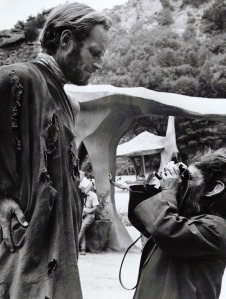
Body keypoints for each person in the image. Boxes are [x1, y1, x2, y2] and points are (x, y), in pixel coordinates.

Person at [0, 3, 111, 298]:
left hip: (59, 247)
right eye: (94, 52)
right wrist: (2, 197)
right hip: (22, 248)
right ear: (65, 41)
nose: (98, 64)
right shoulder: (16, 78)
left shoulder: (68, 103)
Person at [128, 148, 226, 299]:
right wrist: (158, 189)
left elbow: (165, 230)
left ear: (214, 189)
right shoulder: (185, 219)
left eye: (189, 178)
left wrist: (169, 191)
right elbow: (144, 219)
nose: (181, 182)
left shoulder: (216, 229)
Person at [78, 175, 99, 255]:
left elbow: (96, 208)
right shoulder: (80, 195)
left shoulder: (93, 195)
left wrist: (88, 211)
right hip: (82, 214)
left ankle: (76, 246)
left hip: (90, 215)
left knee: (82, 227)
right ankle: (82, 249)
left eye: (83, 188)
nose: (82, 190)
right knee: (80, 227)